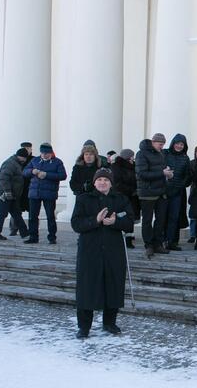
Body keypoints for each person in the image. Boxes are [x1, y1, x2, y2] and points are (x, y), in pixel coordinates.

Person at [71, 168, 134, 339]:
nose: (102, 183)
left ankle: (109, 322)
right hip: (90, 251)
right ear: (94, 182)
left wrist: (116, 221)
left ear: (111, 183)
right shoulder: (83, 199)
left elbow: (129, 222)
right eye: (99, 180)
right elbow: (76, 224)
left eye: (106, 180)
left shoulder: (120, 199)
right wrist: (95, 220)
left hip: (114, 251)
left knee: (113, 286)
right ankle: (84, 327)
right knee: (87, 288)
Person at [136, 133, 172, 258]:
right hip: (147, 193)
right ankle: (149, 245)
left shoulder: (160, 153)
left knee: (160, 220)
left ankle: (158, 244)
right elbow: (142, 174)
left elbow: (160, 172)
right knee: (147, 221)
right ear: (153, 142)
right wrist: (162, 172)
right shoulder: (141, 154)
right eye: (160, 144)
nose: (162, 147)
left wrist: (168, 174)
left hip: (161, 192)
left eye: (163, 144)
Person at [23, 142, 67, 245]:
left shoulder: (57, 162)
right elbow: (24, 172)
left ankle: (52, 237)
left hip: (49, 193)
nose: (44, 155)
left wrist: (47, 175)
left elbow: (63, 175)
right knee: (33, 216)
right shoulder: (35, 160)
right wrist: (31, 171)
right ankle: (33, 237)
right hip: (34, 193)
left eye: (46, 153)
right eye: (42, 152)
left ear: (51, 153)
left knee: (50, 216)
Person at [0, 148, 30, 240]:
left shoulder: (15, 163)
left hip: (11, 194)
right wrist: (7, 191)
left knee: (16, 213)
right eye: (24, 158)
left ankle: (24, 232)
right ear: (20, 156)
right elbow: (4, 178)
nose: (25, 160)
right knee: (2, 213)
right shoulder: (10, 164)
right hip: (6, 194)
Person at [163, 133, 192, 250]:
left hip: (178, 192)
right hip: (164, 191)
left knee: (174, 217)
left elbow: (187, 175)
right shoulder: (165, 154)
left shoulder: (185, 158)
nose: (179, 146)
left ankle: (172, 242)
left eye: (181, 144)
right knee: (162, 217)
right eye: (177, 143)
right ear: (173, 143)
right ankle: (161, 240)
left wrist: (182, 184)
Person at [111, 148, 139, 249]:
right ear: (128, 157)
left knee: (130, 218)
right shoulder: (116, 167)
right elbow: (117, 183)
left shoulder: (133, 166)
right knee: (121, 217)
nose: (133, 158)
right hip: (122, 196)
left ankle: (129, 240)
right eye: (132, 156)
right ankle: (120, 238)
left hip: (132, 197)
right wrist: (132, 190)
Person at [10, 142, 33, 236]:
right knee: (16, 210)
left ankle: (32, 230)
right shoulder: (16, 160)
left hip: (29, 188)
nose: (26, 150)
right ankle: (14, 229)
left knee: (32, 211)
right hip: (18, 189)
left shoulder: (34, 159)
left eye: (28, 148)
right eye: (24, 148)